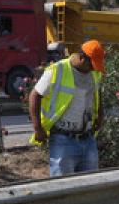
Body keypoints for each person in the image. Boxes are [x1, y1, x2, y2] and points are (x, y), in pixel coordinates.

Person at [29, 40, 105, 177]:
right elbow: (34, 96)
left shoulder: (94, 73)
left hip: (88, 139)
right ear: (82, 58)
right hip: (62, 139)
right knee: (63, 188)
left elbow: (97, 93)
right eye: (91, 65)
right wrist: (37, 128)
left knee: (90, 187)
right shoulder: (58, 70)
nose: (93, 69)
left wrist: (100, 115)